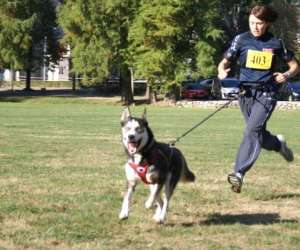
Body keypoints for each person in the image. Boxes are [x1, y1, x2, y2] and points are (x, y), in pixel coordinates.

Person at [217, 4, 300, 193]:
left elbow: (295, 66)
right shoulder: (240, 40)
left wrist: (285, 75)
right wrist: (222, 72)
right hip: (245, 93)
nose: (255, 27)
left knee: (251, 130)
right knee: (257, 134)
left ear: (268, 24)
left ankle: (238, 173)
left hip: (267, 93)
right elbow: (223, 64)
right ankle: (278, 145)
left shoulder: (276, 43)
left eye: (259, 23)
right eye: (252, 23)